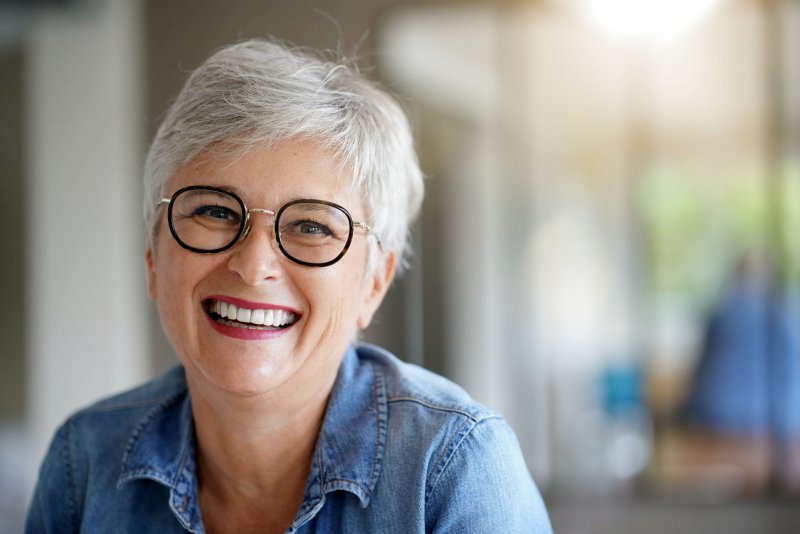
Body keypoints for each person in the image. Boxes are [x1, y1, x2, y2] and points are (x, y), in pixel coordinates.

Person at [26, 39, 552, 533]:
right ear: (153, 256)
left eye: (312, 226)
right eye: (213, 210)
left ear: (374, 282)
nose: (254, 265)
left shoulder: (454, 468)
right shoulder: (85, 462)